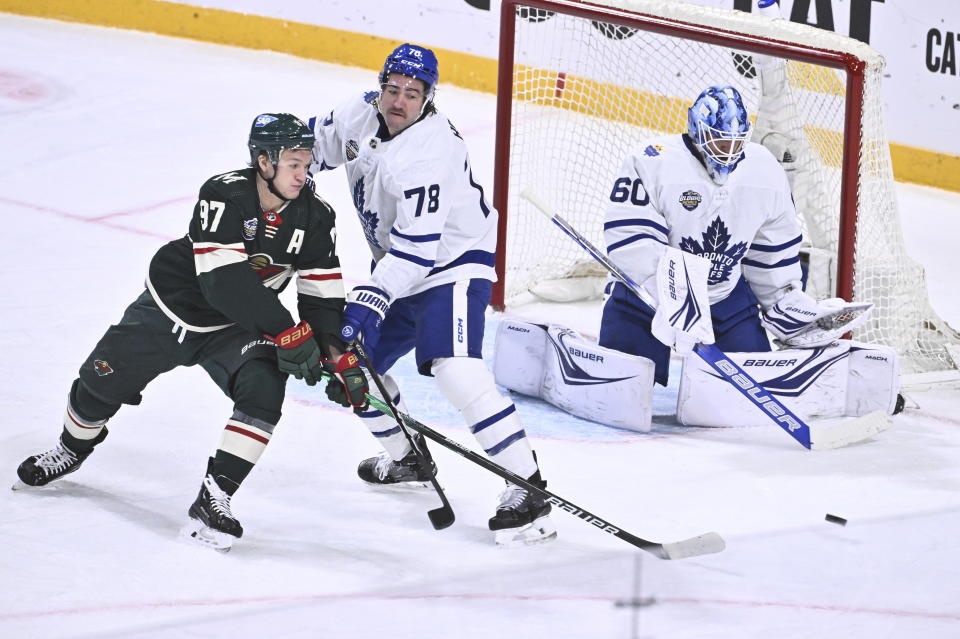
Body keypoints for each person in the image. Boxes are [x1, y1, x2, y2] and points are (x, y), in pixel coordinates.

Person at [13, 113, 369, 552]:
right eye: (292, 163)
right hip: (169, 312)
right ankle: (71, 449)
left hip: (237, 329)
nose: (303, 173)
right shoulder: (224, 193)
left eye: (306, 162)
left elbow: (322, 297)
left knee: (263, 390)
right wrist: (287, 333)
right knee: (95, 387)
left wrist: (335, 354)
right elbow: (224, 282)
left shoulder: (316, 216)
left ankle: (215, 495)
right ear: (263, 162)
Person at [309, 43, 556, 545]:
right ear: (381, 86)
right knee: (350, 370)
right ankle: (406, 459)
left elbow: (418, 255)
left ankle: (526, 486)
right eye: (392, 89)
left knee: (456, 369)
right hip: (397, 266)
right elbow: (311, 147)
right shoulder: (361, 113)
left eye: (412, 93)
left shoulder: (429, 154)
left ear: (428, 99)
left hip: (452, 267)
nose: (399, 101)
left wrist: (368, 298)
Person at [598, 85, 871, 387]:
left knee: (752, 389)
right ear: (696, 129)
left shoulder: (764, 169)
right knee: (626, 387)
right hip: (647, 301)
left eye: (734, 142)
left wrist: (788, 307)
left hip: (725, 298)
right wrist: (675, 302)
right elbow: (633, 240)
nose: (726, 151)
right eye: (717, 141)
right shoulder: (650, 161)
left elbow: (771, 251)